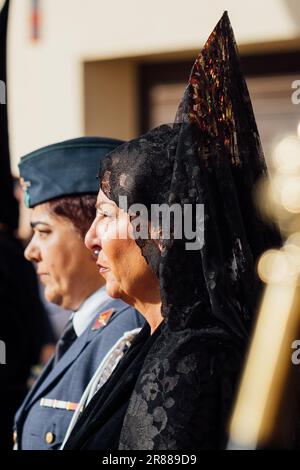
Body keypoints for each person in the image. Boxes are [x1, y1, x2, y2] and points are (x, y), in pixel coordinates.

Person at [63, 12, 281, 450]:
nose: (91, 238)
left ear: (160, 232)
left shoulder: (192, 358)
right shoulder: (152, 339)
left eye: (107, 215)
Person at [14, 137, 144, 450]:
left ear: (92, 234)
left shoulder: (127, 332)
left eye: (44, 232)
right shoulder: (86, 327)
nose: (30, 251)